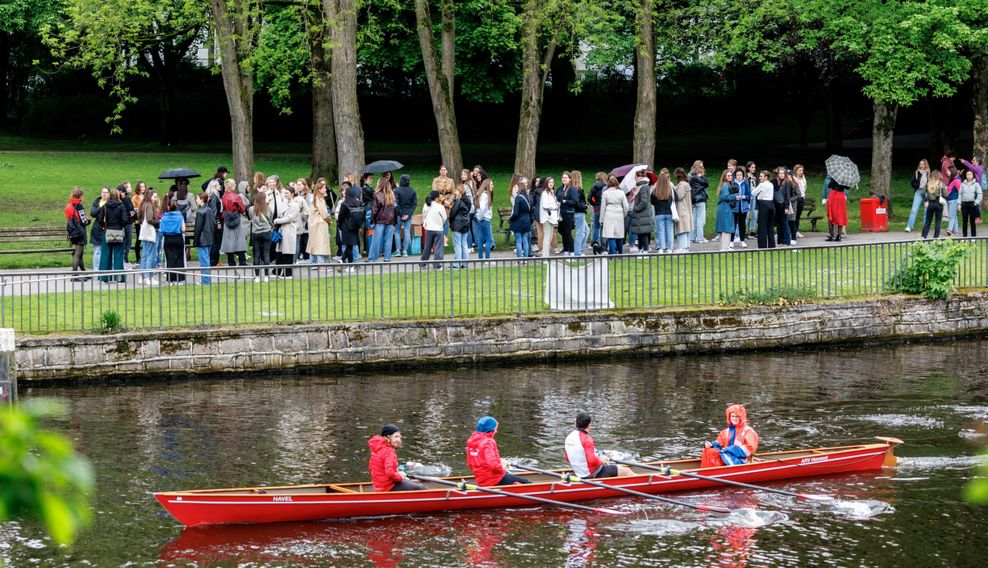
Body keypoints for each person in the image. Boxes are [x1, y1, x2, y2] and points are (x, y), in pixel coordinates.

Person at [564, 413, 634, 479]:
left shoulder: (569, 437)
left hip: (578, 473)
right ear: (589, 424)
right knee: (626, 471)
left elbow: (567, 458)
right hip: (591, 474)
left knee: (611, 465)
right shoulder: (587, 439)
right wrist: (601, 460)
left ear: (575, 423)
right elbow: (592, 461)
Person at [466, 416, 531, 486]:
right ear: (490, 430)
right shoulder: (488, 442)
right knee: (527, 483)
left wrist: (499, 462)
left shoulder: (471, 441)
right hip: (495, 479)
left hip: (481, 480)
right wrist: (502, 469)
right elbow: (492, 464)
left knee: (511, 477)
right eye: (495, 429)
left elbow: (470, 463)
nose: (496, 431)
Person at [368, 424, 426, 492]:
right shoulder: (388, 451)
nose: (398, 440)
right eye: (396, 437)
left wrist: (397, 473)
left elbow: (373, 468)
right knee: (421, 488)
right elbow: (389, 473)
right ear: (387, 436)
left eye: (399, 437)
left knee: (414, 482)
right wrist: (399, 477)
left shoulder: (377, 448)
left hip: (378, 485)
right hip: (387, 486)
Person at [98, 188, 129, 283]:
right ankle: (119, 277)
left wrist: (104, 226)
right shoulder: (121, 206)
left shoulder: (105, 206)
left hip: (107, 231)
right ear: (118, 195)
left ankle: (104, 278)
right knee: (118, 255)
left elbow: (100, 219)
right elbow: (125, 220)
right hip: (118, 232)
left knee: (105, 255)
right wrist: (120, 225)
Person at [220, 180, 249, 267]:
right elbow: (242, 209)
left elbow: (222, 209)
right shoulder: (237, 197)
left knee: (228, 240)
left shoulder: (223, 197)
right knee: (239, 240)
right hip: (236, 218)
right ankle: (242, 261)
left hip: (227, 219)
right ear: (233, 186)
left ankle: (231, 262)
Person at [369, 178, 398, 262]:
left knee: (376, 240)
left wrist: (372, 221)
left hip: (380, 220)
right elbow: (395, 209)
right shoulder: (392, 195)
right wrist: (395, 221)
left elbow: (374, 210)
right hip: (391, 220)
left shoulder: (377, 195)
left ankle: (373, 258)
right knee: (388, 239)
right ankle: (387, 258)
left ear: (379, 184)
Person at [65, 187, 90, 281]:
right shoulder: (79, 206)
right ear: (80, 195)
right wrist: (89, 220)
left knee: (80, 253)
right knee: (77, 253)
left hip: (73, 232)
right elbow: (84, 221)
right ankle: (74, 275)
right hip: (80, 232)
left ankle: (83, 272)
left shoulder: (69, 205)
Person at [159, 199, 186, 283]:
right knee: (179, 258)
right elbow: (183, 229)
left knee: (170, 259)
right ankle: (180, 278)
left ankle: (171, 279)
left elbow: (161, 230)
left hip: (168, 239)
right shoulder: (180, 216)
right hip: (178, 238)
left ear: (168, 207)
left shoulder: (164, 217)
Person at [337, 183, 364, 268]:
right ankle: (350, 262)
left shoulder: (344, 204)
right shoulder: (359, 203)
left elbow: (340, 217)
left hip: (346, 227)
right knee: (352, 245)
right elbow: (362, 215)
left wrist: (340, 225)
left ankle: (346, 262)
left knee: (348, 246)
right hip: (355, 227)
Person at [600, 175, 629, 255]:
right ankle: (620, 253)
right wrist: (623, 214)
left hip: (609, 214)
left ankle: (612, 254)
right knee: (619, 235)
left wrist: (601, 220)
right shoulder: (621, 192)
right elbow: (626, 206)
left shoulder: (605, 193)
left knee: (611, 235)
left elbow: (603, 208)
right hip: (619, 214)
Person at [248, 193, 274, 281]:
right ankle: (266, 276)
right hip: (266, 232)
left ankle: (257, 276)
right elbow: (271, 218)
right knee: (266, 254)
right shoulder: (268, 208)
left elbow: (251, 218)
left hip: (256, 233)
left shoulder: (251, 209)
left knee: (256, 255)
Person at [137, 188, 160, 284]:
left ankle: (142, 277)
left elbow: (142, 219)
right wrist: (157, 222)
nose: (156, 198)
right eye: (155, 196)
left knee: (145, 255)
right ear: (150, 197)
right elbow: (150, 219)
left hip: (144, 233)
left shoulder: (143, 204)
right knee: (151, 255)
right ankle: (148, 277)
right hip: (150, 233)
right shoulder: (149, 205)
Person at [420, 190, 447, 269]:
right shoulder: (440, 206)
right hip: (438, 229)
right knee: (438, 247)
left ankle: (422, 264)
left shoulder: (426, 205)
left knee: (427, 247)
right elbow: (444, 218)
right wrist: (440, 223)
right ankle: (437, 265)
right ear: (436, 198)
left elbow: (424, 215)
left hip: (429, 228)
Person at [307, 180, 333, 263]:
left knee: (313, 244)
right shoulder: (320, 200)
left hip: (313, 224)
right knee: (320, 245)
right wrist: (329, 221)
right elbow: (324, 214)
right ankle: (320, 264)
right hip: (320, 224)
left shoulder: (315, 199)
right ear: (319, 190)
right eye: (324, 188)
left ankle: (312, 263)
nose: (325, 190)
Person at [193, 192, 215, 285]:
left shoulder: (201, 211)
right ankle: (207, 280)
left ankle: (205, 281)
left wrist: (195, 241)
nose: (196, 200)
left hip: (203, 240)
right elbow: (213, 224)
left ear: (202, 199)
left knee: (204, 262)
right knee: (207, 261)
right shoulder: (209, 209)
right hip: (209, 238)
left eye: (197, 198)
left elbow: (198, 228)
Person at [449, 185, 473, 268]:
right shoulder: (468, 200)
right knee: (464, 243)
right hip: (466, 222)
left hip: (457, 223)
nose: (455, 192)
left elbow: (453, 213)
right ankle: (464, 263)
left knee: (457, 244)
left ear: (460, 191)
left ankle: (457, 264)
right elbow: (468, 210)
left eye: (456, 190)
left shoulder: (458, 201)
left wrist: (450, 221)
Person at [751, 170, 776, 249]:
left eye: (761, 176)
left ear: (766, 177)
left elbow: (753, 193)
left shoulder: (762, 185)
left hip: (764, 205)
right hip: (771, 205)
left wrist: (753, 185)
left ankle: (762, 245)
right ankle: (772, 245)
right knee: (770, 226)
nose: (759, 178)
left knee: (762, 226)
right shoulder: (771, 184)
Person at [630, 170, 654, 253]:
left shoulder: (643, 187)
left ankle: (646, 250)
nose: (634, 178)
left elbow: (644, 201)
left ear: (638, 176)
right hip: (642, 214)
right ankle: (640, 249)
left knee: (643, 233)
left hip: (643, 214)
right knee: (640, 232)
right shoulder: (641, 186)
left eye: (635, 176)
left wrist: (636, 208)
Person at [556, 172, 579, 255]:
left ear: (570, 179)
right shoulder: (559, 189)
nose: (564, 179)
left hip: (568, 213)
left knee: (567, 233)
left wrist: (564, 201)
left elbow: (575, 202)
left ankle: (572, 253)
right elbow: (556, 198)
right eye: (563, 177)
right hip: (560, 214)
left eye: (566, 177)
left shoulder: (572, 189)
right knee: (561, 231)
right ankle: (566, 252)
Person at [651, 172, 674, 254]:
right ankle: (669, 248)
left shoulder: (655, 190)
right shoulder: (670, 189)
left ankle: (661, 248)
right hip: (669, 213)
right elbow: (676, 199)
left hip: (659, 213)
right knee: (670, 231)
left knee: (660, 232)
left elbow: (652, 201)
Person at [394, 174, 417, 257]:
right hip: (408, 214)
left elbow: (396, 203)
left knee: (397, 231)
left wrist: (401, 214)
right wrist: (408, 214)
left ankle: (398, 250)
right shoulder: (412, 191)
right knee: (407, 231)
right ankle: (405, 250)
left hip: (400, 214)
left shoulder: (397, 190)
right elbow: (414, 204)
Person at [509, 177, 532, 259]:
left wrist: (510, 219)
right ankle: (525, 259)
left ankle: (519, 259)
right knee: (525, 240)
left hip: (518, 222)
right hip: (526, 220)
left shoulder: (518, 198)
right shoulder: (528, 197)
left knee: (518, 240)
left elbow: (515, 213)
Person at [905, 159, 931, 233]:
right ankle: (909, 226)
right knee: (914, 210)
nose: (921, 165)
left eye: (923, 164)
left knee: (926, 211)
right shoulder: (916, 172)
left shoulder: (929, 173)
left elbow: (932, 183)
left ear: (926, 165)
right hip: (918, 192)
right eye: (920, 164)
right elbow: (912, 183)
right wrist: (919, 186)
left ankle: (925, 227)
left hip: (926, 193)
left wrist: (927, 186)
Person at [473, 174, 495, 260]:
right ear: (487, 186)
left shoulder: (484, 195)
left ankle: (480, 258)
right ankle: (487, 258)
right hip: (485, 219)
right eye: (491, 184)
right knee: (489, 239)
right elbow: (482, 208)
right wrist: (480, 218)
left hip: (483, 219)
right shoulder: (485, 195)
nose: (493, 186)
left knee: (481, 238)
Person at [714, 170, 736, 251]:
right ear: (724, 177)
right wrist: (735, 196)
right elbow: (725, 197)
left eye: (731, 175)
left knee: (723, 229)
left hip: (722, 208)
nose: (730, 177)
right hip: (725, 208)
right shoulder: (726, 185)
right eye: (728, 175)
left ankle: (722, 247)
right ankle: (725, 248)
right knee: (727, 228)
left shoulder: (722, 185)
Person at [673, 168, 693, 252]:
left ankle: (682, 247)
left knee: (682, 229)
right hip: (686, 210)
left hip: (682, 210)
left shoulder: (682, 185)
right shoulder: (686, 184)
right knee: (686, 229)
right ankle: (686, 246)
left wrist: (674, 189)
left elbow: (679, 196)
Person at [921, 171, 947, 240]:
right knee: (938, 221)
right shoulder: (941, 184)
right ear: (939, 176)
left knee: (928, 221)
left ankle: (924, 236)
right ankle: (935, 238)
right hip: (939, 203)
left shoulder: (928, 184)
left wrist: (926, 200)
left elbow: (922, 193)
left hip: (930, 203)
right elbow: (945, 195)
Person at [688, 161, 708, 243]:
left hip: (693, 199)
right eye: (701, 167)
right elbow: (706, 184)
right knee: (700, 220)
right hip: (700, 199)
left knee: (694, 219)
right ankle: (700, 238)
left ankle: (692, 238)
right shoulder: (699, 177)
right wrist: (702, 177)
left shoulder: (690, 176)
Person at [539, 177, 560, 257]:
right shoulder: (545, 193)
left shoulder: (551, 192)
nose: (551, 184)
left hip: (552, 217)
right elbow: (545, 205)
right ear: (546, 184)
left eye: (552, 182)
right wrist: (554, 206)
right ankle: (545, 256)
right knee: (547, 236)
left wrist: (557, 204)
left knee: (550, 236)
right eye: (549, 182)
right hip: (546, 217)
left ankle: (546, 255)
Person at [90, 186, 110, 271]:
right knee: (97, 250)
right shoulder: (97, 202)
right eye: (103, 192)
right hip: (97, 228)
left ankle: (105, 268)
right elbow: (93, 213)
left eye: (106, 192)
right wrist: (101, 207)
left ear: (109, 194)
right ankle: (96, 269)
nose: (104, 194)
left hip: (108, 228)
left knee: (106, 251)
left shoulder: (111, 203)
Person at [772, 167, 793, 246]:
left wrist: (786, 207)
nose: (781, 175)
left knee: (784, 223)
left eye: (782, 173)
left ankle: (787, 242)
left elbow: (787, 196)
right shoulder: (777, 181)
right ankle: (780, 241)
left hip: (783, 205)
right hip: (777, 205)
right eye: (780, 173)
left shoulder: (787, 182)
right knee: (779, 224)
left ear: (785, 174)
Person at [730, 168, 750, 248]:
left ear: (743, 175)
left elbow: (749, 195)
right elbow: (730, 194)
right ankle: (731, 241)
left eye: (740, 175)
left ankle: (742, 241)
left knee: (742, 225)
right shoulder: (732, 183)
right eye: (737, 175)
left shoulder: (745, 183)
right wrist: (735, 197)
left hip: (743, 207)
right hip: (734, 207)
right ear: (735, 175)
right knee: (733, 224)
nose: (739, 176)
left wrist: (744, 197)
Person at [959, 169, 983, 237]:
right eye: (967, 174)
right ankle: (964, 237)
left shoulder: (976, 184)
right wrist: (959, 204)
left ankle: (973, 237)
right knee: (964, 221)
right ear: (966, 175)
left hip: (973, 205)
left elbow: (980, 194)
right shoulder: (962, 184)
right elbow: (960, 194)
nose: (969, 176)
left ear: (973, 175)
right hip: (964, 205)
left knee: (972, 222)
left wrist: (975, 203)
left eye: (970, 174)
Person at [825, 176, 848, 242]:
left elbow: (829, 185)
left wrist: (834, 179)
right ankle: (839, 236)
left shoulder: (835, 177)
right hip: (841, 196)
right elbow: (847, 187)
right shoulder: (845, 178)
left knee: (831, 214)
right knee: (840, 215)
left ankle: (832, 235)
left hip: (834, 195)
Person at [789, 164, 807, 239]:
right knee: (794, 216)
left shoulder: (803, 178)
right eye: (799, 170)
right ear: (795, 171)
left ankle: (797, 230)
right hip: (796, 198)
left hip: (802, 198)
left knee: (798, 216)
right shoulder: (793, 178)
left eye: (802, 170)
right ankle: (792, 231)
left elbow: (805, 187)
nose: (801, 172)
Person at [945, 166, 961, 236]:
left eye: (948, 171)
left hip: (954, 200)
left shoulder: (957, 180)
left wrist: (959, 203)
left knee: (951, 215)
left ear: (952, 171)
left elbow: (960, 192)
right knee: (954, 215)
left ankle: (950, 229)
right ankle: (956, 231)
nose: (947, 172)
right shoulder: (951, 179)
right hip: (950, 199)